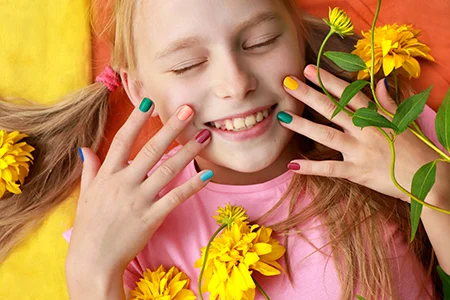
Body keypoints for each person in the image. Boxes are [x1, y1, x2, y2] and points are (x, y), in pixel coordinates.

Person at [0, 0, 448, 299]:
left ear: (298, 38)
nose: (236, 84)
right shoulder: (121, 219)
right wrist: (90, 276)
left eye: (261, 42)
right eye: (187, 64)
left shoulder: (389, 137)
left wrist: (436, 192)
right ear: (138, 89)